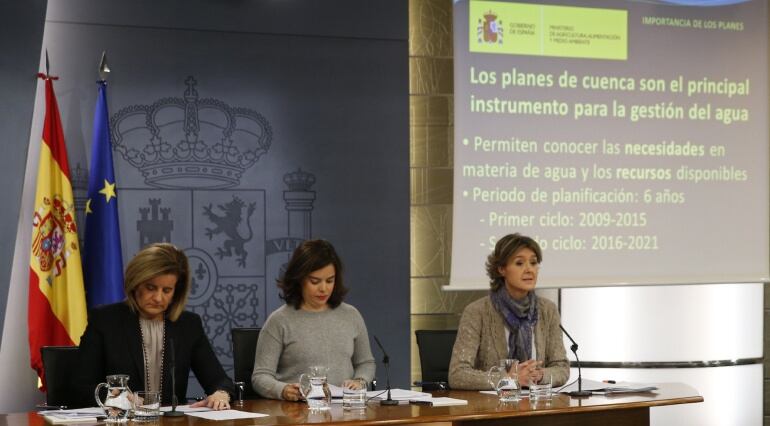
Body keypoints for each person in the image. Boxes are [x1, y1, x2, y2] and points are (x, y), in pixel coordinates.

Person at [74, 243, 234, 409]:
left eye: (166, 290)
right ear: (135, 283)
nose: (158, 298)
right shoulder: (106, 320)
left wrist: (221, 393)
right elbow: (78, 387)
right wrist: (115, 397)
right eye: (151, 288)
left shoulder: (188, 325)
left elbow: (219, 380)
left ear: (175, 292)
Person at [251, 239, 376, 400]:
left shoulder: (351, 315)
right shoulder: (279, 321)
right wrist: (283, 390)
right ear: (299, 279)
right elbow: (260, 377)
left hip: (344, 409)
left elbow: (365, 363)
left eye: (330, 281)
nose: (323, 288)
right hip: (296, 413)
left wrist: (360, 381)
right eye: (315, 281)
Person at [448, 233, 569, 390]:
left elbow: (561, 368)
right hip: (491, 408)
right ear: (501, 269)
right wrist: (510, 379)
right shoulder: (477, 312)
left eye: (533, 263)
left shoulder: (547, 310)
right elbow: (458, 375)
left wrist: (539, 375)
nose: (529, 270)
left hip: (536, 403)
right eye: (519, 263)